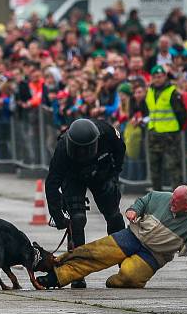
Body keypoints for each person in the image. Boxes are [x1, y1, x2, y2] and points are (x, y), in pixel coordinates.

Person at [38, 186, 187, 289]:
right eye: (172, 199)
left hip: (154, 255)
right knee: (94, 253)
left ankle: (115, 281)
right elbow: (144, 201)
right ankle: (55, 273)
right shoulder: (162, 197)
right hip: (132, 236)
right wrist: (134, 210)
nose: (171, 203)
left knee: (129, 274)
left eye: (176, 203)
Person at [45, 118, 126, 288]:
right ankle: (77, 271)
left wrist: (114, 174)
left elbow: (120, 150)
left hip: (101, 172)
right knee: (77, 219)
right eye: (78, 149)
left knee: (114, 216)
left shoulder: (107, 133)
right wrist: (58, 216)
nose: (82, 153)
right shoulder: (62, 148)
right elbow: (52, 183)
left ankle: (124, 263)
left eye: (87, 149)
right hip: (73, 178)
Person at [146, 65, 187, 191]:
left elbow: (181, 114)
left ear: (164, 76)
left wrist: (176, 129)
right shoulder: (150, 91)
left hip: (170, 135)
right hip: (154, 134)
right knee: (155, 167)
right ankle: (157, 195)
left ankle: (178, 197)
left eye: (160, 76)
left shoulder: (172, 92)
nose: (158, 79)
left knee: (173, 167)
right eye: (155, 77)